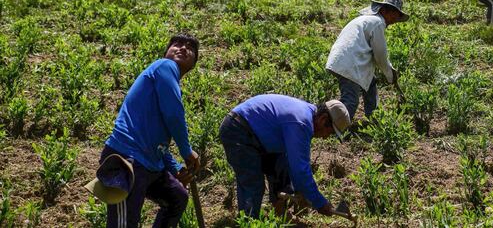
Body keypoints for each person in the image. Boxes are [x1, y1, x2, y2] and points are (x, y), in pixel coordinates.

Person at [87, 34, 201, 228]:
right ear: (166, 53)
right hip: (127, 159)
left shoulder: (168, 85)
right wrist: (186, 150)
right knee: (124, 225)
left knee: (177, 197)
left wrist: (176, 168)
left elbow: (159, 143)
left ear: (193, 64)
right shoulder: (165, 66)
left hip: (149, 164)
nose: (182, 48)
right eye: (177, 44)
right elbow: (174, 114)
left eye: (190, 48)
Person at [219, 95, 351, 219]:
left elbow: (294, 162)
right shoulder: (301, 122)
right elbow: (300, 170)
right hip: (238, 130)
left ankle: (280, 214)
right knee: (253, 183)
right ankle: (248, 221)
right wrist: (320, 203)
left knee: (281, 167)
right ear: (323, 119)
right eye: (330, 132)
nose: (326, 137)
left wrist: (302, 192)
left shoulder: (305, 115)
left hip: (257, 135)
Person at [326, 0, 408, 119]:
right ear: (385, 10)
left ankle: (374, 118)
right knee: (351, 101)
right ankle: (337, 129)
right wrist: (390, 75)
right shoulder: (377, 22)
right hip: (351, 63)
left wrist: (390, 71)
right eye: (395, 14)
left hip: (344, 59)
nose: (395, 20)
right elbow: (380, 55)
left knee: (371, 83)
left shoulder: (366, 20)